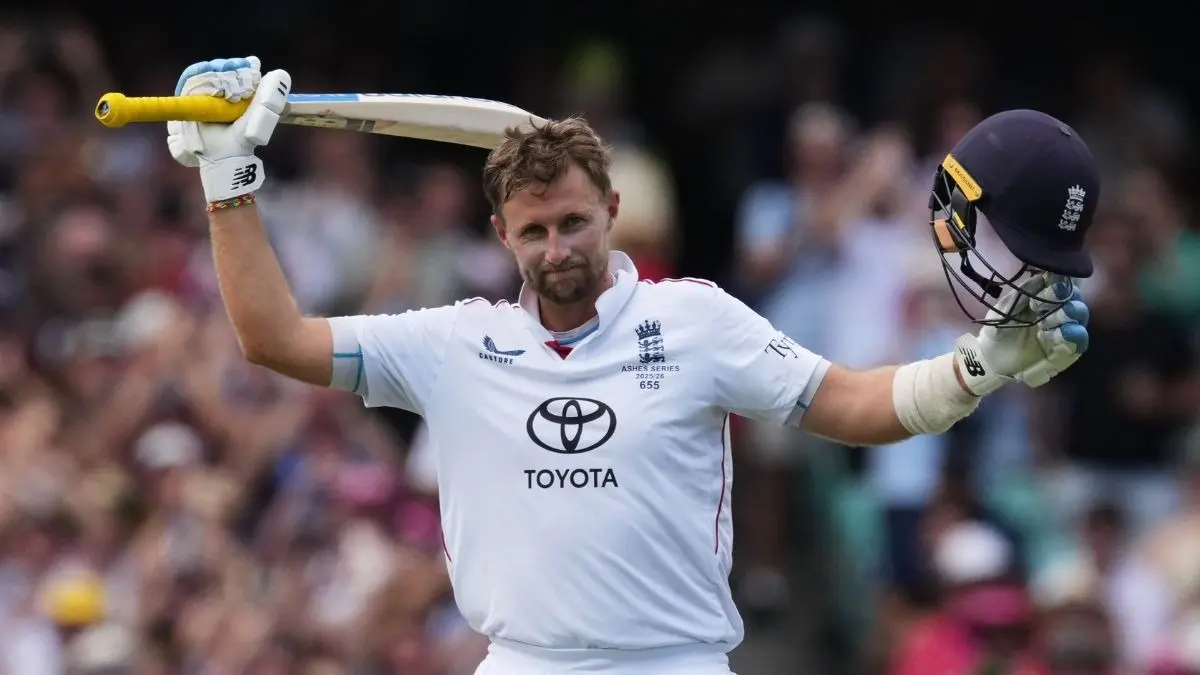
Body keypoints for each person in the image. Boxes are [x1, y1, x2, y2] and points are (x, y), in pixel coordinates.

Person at [166, 56, 1096, 675]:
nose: (557, 246)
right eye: (533, 230)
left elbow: (850, 402)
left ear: (611, 210)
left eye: (574, 222)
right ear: (502, 236)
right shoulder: (453, 343)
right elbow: (273, 338)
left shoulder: (692, 319)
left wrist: (977, 365)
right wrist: (226, 183)